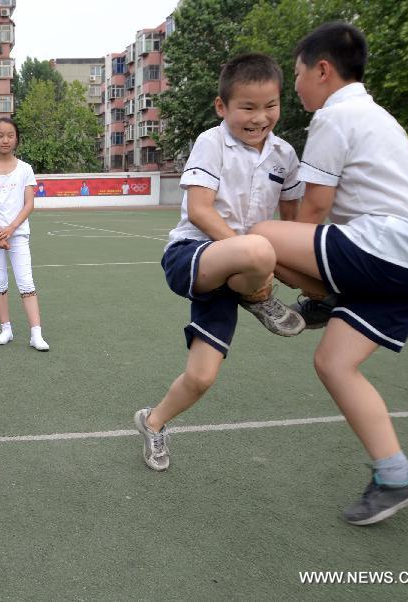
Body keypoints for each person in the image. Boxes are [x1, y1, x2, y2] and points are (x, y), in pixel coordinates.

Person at [249, 23, 408, 525]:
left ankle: (325, 300)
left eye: (296, 75)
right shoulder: (375, 115)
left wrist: (275, 266)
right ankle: (397, 474)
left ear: (322, 70)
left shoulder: (338, 116)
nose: (293, 87)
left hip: (393, 249)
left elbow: (314, 212)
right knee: (334, 363)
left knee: (259, 236)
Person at [134, 53, 305, 472]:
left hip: (240, 275)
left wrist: (310, 283)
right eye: (247, 107)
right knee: (259, 248)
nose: (260, 117)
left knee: (202, 376)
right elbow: (199, 210)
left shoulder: (285, 155)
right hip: (193, 256)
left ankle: (152, 422)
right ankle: (258, 294)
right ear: (222, 107)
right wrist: (256, 263)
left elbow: (294, 226)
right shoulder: (212, 142)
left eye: (270, 106)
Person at [0, 117, 49, 351]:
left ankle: (36, 334)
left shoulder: (25, 169)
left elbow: (29, 203)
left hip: (18, 235)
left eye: (10, 135)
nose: (5, 140)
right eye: (0, 135)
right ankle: (6, 329)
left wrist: (10, 229)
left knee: (26, 281)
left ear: (17, 139)